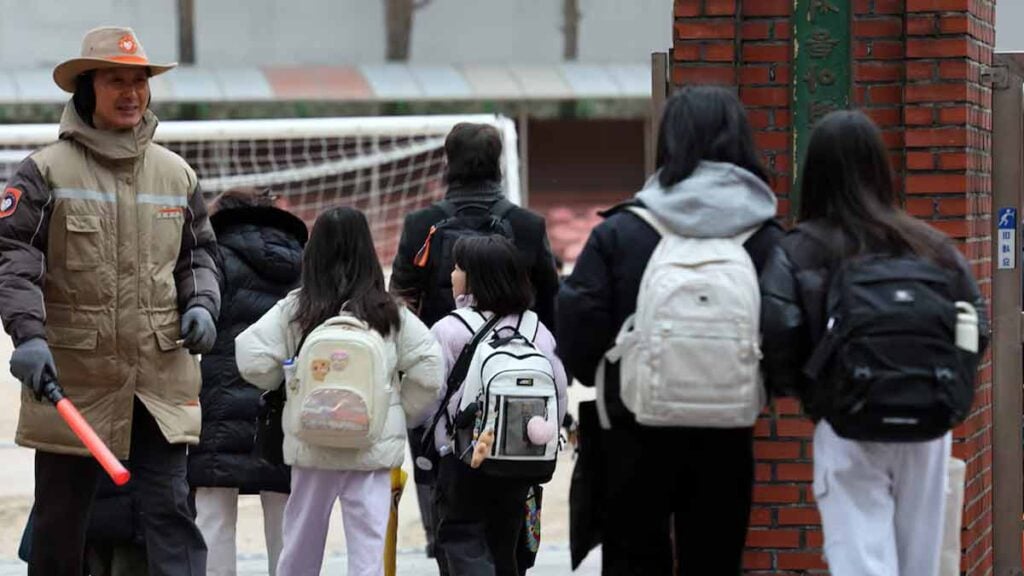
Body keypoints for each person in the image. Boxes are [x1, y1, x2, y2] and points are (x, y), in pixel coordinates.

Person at [0, 27, 218, 576]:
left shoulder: (177, 174)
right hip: (74, 380)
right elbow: (13, 259)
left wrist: (202, 304)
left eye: (139, 81)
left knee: (172, 512)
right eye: (116, 80)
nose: (131, 93)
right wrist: (28, 336)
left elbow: (198, 257)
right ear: (87, 89)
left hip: (159, 378)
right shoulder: (44, 172)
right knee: (60, 522)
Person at [556, 86, 784, 575]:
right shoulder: (765, 238)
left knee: (634, 559)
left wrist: (601, 370)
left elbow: (578, 331)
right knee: (714, 561)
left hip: (632, 428)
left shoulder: (621, 232)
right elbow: (786, 333)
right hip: (727, 433)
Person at [759, 110, 987, 576]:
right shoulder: (931, 246)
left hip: (848, 421)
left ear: (814, 173)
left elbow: (777, 331)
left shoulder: (799, 248)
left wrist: (811, 390)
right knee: (919, 561)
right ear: (881, 168)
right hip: (927, 421)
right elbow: (976, 326)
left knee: (860, 560)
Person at [235, 206, 443, 576]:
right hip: (371, 448)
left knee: (300, 545)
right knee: (368, 551)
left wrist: (287, 383)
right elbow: (429, 370)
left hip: (311, 445)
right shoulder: (389, 312)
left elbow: (251, 357)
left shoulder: (298, 308)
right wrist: (395, 411)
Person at [389, 122, 560, 555]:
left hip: (439, 381)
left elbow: (401, 304)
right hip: (518, 379)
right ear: (498, 163)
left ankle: (445, 548)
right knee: (516, 484)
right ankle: (514, 552)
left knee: (441, 485)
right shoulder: (527, 225)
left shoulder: (421, 224)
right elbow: (551, 303)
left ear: (448, 162)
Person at [428, 235, 568, 576]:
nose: (452, 274)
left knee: (461, 538)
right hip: (522, 460)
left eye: (458, 268)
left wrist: (440, 443)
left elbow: (430, 397)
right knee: (508, 545)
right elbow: (559, 393)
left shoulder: (449, 329)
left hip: (464, 457)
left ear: (475, 277)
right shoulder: (536, 329)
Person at [187, 188, 307, 576]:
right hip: (283, 398)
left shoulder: (212, 256)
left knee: (213, 509)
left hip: (219, 399)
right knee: (286, 509)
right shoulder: (301, 259)